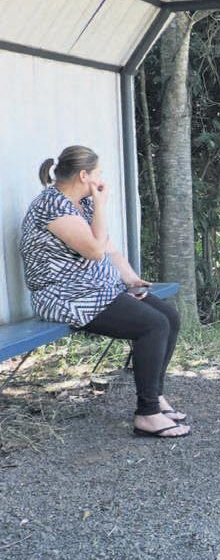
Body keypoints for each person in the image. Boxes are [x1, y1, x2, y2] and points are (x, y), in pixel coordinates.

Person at [20, 146, 187, 438]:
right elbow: (95, 252)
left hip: (97, 291)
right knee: (153, 325)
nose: (101, 179)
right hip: (64, 297)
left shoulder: (81, 203)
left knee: (168, 316)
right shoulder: (52, 206)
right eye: (98, 173)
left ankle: (156, 397)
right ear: (84, 176)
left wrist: (132, 280)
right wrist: (101, 205)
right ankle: (147, 414)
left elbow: (109, 249)